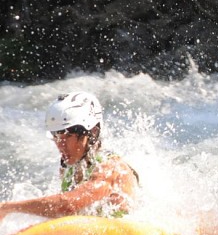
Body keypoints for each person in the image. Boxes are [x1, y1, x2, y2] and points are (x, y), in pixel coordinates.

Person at [0, 92, 139, 221]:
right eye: (56, 136)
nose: (61, 145)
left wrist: (10, 207)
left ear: (93, 132)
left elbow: (67, 205)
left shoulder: (111, 168)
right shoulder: (70, 169)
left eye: (68, 136)